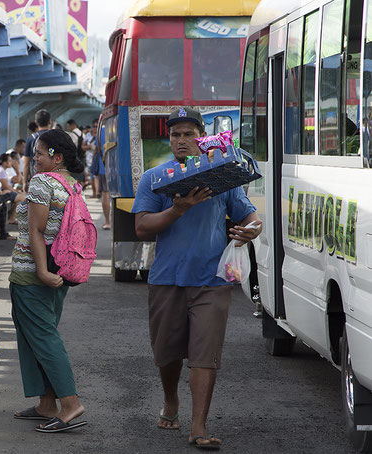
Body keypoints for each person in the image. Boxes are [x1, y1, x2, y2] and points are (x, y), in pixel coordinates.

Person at [132, 107, 262, 450]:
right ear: (169, 140)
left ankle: (198, 426)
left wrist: (247, 231)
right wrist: (176, 210)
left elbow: (252, 219)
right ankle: (171, 401)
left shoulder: (221, 177)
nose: (182, 140)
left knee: (205, 355)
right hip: (167, 280)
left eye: (189, 134)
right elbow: (142, 226)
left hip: (213, 280)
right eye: (176, 135)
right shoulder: (156, 178)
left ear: (201, 138)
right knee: (167, 353)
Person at [8, 129, 87, 433]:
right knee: (38, 336)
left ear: (57, 156)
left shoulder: (43, 181)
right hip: (61, 271)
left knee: (43, 338)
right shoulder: (72, 185)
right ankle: (45, 402)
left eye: (40, 153)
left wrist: (40, 271)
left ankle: (70, 404)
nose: (36, 158)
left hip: (34, 273)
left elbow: (36, 230)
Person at [0, 154, 24, 238]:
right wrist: (17, 193)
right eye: (9, 161)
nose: (11, 162)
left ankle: (10, 221)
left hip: (1, 192)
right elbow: (6, 187)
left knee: (4, 205)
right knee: (22, 198)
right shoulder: (1, 170)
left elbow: (17, 181)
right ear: (4, 162)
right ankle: (12, 219)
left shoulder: (2, 169)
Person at [23, 109, 52, 191]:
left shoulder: (31, 138)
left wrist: (25, 182)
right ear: (49, 121)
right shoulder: (56, 137)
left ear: (36, 122)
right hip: (53, 178)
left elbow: (26, 163)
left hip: (36, 178)